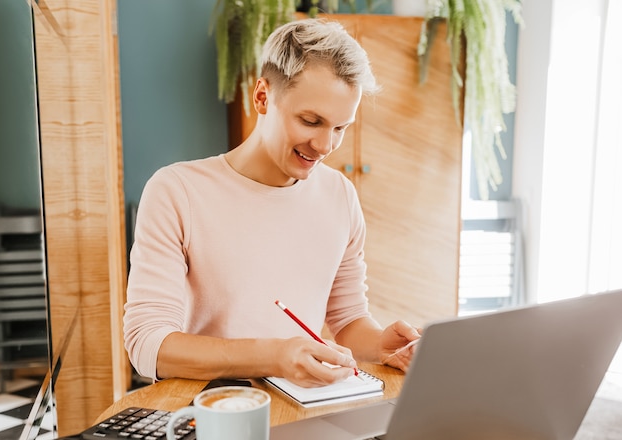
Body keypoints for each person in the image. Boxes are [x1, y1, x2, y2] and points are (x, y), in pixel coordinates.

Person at [124, 18, 421, 388]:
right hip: (215, 410)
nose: (326, 145)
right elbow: (148, 345)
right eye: (311, 121)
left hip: (307, 409)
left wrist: (380, 345)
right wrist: (276, 357)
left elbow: (347, 320)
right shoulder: (176, 191)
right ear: (262, 96)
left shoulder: (340, 196)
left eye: (341, 128)